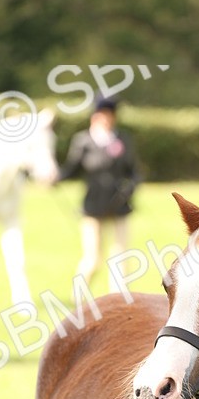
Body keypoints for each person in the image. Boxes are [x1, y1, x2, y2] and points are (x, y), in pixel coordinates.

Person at [56, 95, 139, 286]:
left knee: (120, 257)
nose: (107, 119)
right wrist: (56, 177)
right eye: (103, 114)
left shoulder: (123, 139)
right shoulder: (83, 141)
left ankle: (118, 300)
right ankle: (78, 295)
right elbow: (71, 168)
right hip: (93, 205)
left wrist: (130, 187)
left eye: (110, 114)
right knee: (93, 259)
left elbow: (134, 172)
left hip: (119, 204)